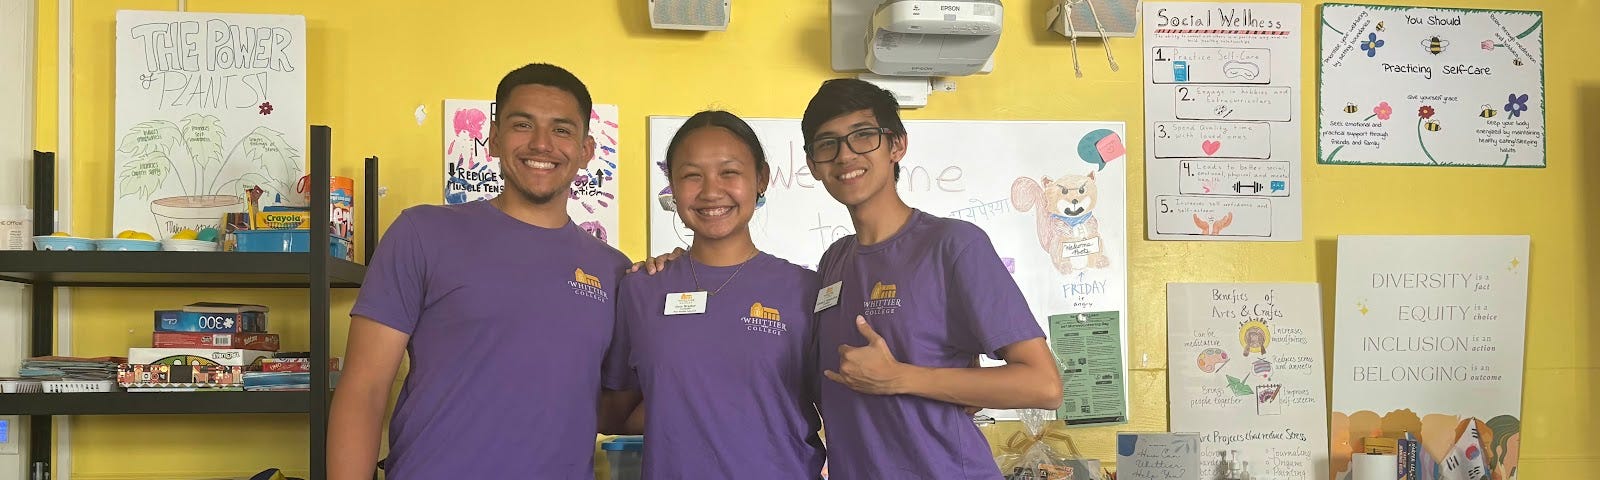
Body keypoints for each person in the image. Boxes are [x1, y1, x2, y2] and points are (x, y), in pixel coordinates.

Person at [328, 63, 630, 480]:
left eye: (562, 130)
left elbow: (611, 408)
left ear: (586, 150)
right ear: (493, 139)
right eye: (523, 124)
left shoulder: (614, 270)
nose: (541, 144)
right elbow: (364, 389)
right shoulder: (422, 233)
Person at [801, 78, 1063, 479]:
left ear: (897, 145)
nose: (845, 155)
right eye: (827, 144)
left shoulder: (953, 245)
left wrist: (901, 378)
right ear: (814, 165)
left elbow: (1043, 385)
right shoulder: (833, 261)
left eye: (863, 136)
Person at [599, 110, 826, 478]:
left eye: (729, 172)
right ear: (671, 185)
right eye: (691, 175)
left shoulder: (804, 289)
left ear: (761, 178)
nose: (710, 191)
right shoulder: (641, 289)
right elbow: (619, 413)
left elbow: (842, 409)